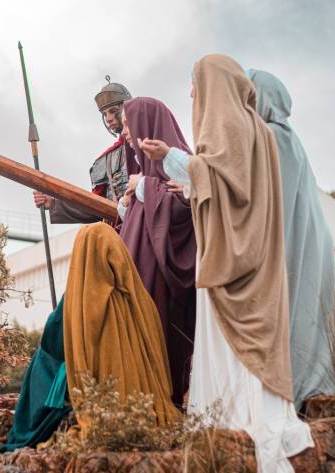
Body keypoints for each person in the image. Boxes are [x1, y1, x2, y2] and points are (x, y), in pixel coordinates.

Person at [139, 55, 313, 472]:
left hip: (238, 262)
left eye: (196, 85)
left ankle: (233, 415)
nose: (192, 94)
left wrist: (170, 157)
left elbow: (220, 177)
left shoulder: (230, 126)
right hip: (252, 253)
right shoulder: (257, 129)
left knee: (232, 342)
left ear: (215, 86)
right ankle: (236, 412)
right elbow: (230, 185)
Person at [0, 223, 179, 452]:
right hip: (147, 402)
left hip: (95, 397)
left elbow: (51, 347)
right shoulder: (142, 301)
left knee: (44, 363)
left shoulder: (77, 301)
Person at [248, 69, 335, 409]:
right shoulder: (285, 136)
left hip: (296, 241)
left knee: (297, 317)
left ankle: (293, 394)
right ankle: (298, 392)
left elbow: (273, 206)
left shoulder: (275, 137)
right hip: (305, 239)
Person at [117, 97, 197, 408]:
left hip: (160, 278)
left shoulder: (183, 164)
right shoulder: (144, 171)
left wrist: (143, 186)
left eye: (128, 124)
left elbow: (183, 209)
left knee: (157, 332)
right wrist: (128, 202)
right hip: (139, 267)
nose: (124, 132)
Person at [32, 77, 132, 224]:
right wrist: (53, 203)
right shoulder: (107, 159)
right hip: (120, 234)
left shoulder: (152, 144)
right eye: (105, 114)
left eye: (113, 111)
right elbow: (96, 206)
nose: (108, 118)